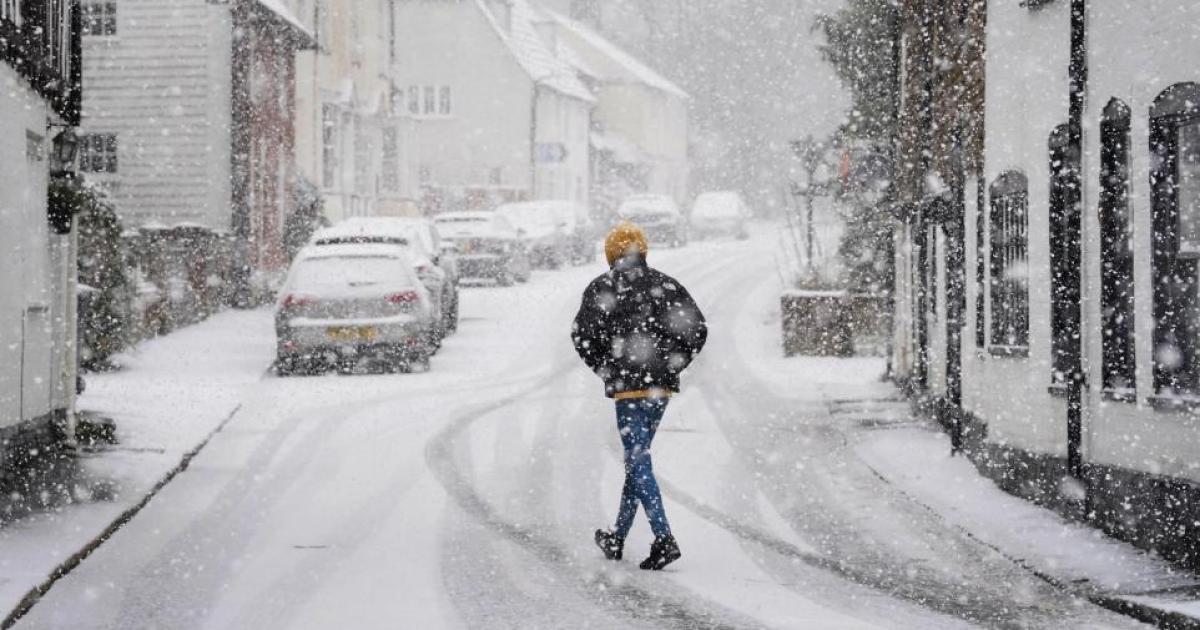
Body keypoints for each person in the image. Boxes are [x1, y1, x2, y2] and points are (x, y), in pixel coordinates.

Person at [571, 221, 708, 571]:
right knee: (638, 459)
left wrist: (607, 367)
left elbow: (582, 336)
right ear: (643, 250)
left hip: (630, 389)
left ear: (610, 253)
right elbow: (696, 328)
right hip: (660, 387)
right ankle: (617, 535)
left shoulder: (604, 287)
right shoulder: (666, 285)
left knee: (637, 460)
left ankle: (664, 537)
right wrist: (674, 363)